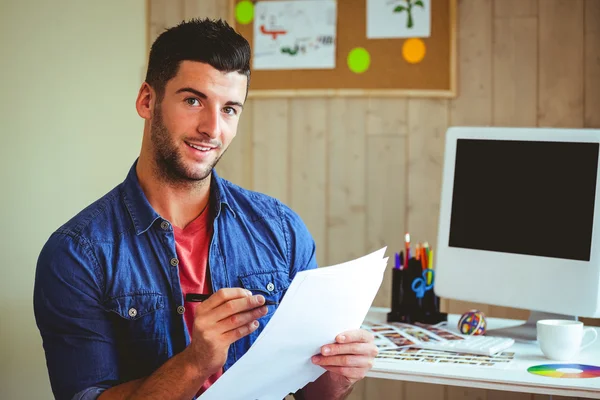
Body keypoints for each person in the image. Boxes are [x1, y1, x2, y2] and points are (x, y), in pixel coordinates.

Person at [33, 18, 378, 400]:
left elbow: (314, 393)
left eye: (230, 109)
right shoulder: (76, 254)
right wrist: (196, 361)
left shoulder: (282, 231)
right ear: (147, 100)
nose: (212, 128)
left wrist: (340, 374)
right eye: (193, 100)